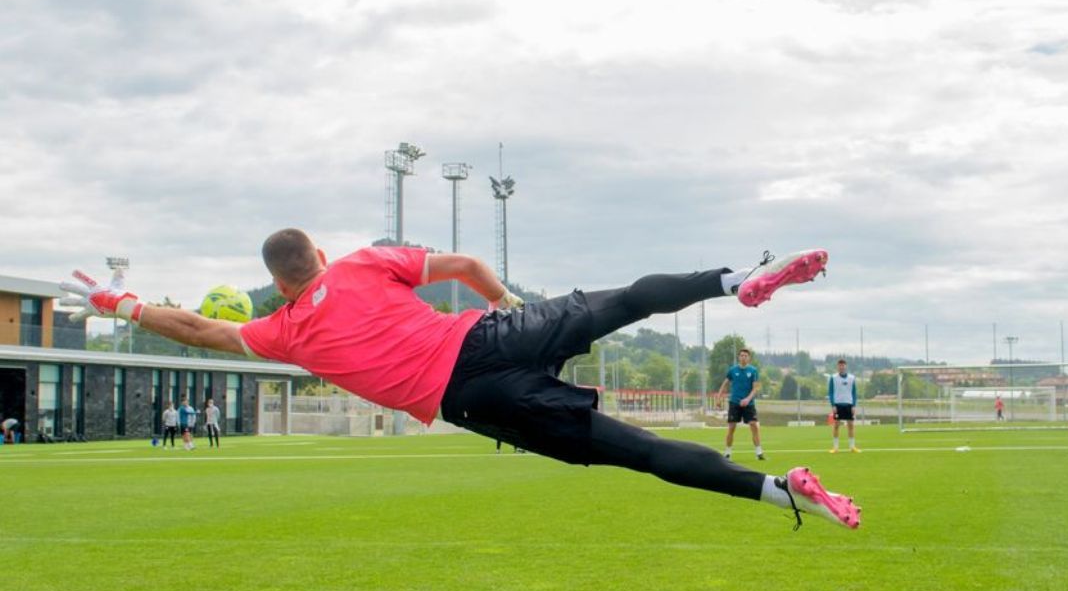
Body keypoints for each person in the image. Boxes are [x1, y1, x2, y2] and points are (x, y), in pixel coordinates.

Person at [61, 232, 859, 529]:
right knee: (617, 299)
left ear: (278, 281)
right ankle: (734, 280)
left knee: (637, 451)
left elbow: (198, 328)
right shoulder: (369, 261)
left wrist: (118, 299)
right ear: (322, 259)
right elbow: (471, 263)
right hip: (487, 330)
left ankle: (782, 494)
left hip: (474, 397)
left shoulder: (283, 331)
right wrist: (514, 311)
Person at [717, 349, 764, 461]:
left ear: (749, 358)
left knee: (754, 426)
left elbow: (756, 388)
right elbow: (724, 384)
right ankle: (727, 453)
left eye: (745, 356)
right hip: (734, 403)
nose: (743, 357)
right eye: (741, 355)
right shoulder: (732, 370)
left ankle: (759, 453)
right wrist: (718, 398)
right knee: (731, 427)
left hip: (749, 403)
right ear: (739, 357)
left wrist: (747, 399)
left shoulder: (753, 371)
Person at [828, 359, 859, 453]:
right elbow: (831, 392)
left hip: (849, 404)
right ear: (838, 367)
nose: (841, 367)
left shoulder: (852, 378)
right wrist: (833, 404)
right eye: (840, 365)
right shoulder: (833, 378)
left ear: (846, 366)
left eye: (843, 365)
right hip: (837, 405)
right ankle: (836, 448)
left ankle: (852, 447)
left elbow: (854, 392)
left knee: (851, 425)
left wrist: (854, 405)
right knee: (836, 425)